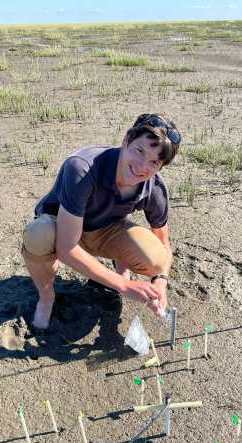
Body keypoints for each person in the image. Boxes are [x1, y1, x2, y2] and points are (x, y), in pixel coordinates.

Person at [21, 113, 181, 329]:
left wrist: (160, 281)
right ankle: (47, 296)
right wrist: (124, 285)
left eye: (154, 161)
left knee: (157, 259)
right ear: (126, 140)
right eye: (139, 150)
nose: (143, 166)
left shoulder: (155, 188)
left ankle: (117, 263)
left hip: (106, 230)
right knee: (38, 234)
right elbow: (67, 247)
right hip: (60, 228)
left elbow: (163, 243)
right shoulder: (82, 167)